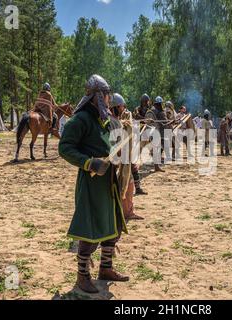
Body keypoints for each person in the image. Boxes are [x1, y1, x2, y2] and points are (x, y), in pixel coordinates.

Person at [58, 75, 129, 295]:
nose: (109, 99)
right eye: (107, 94)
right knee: (90, 230)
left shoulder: (103, 118)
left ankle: (105, 268)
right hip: (91, 183)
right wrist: (89, 162)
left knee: (113, 226)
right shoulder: (81, 120)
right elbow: (65, 148)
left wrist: (116, 156)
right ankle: (82, 276)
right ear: (99, 96)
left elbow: (109, 143)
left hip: (109, 182)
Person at [111, 93, 144, 221]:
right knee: (124, 184)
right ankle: (124, 212)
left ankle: (127, 211)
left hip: (122, 160)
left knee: (128, 182)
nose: (122, 110)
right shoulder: (112, 121)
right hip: (114, 162)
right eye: (120, 107)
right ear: (115, 107)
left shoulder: (117, 120)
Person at [145, 96, 168, 172]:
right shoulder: (153, 110)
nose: (161, 106)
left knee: (157, 149)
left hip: (156, 132)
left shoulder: (156, 110)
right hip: (153, 132)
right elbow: (149, 122)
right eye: (160, 104)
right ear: (158, 104)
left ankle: (157, 166)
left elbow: (160, 121)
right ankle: (156, 167)